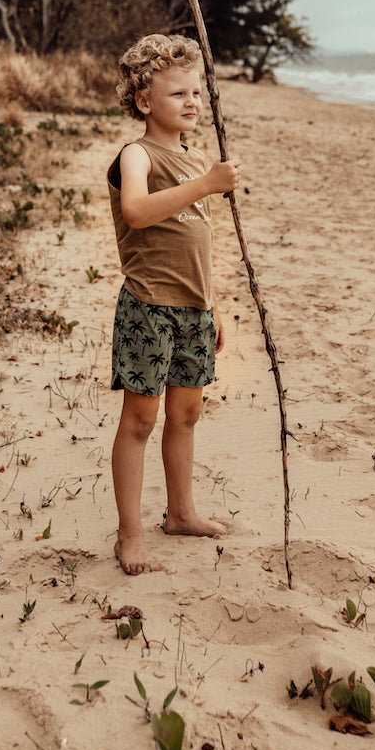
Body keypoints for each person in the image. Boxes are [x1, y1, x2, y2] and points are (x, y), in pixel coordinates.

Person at [107, 33, 241, 575]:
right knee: (140, 419)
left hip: (192, 310)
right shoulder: (136, 155)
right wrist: (206, 184)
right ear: (144, 102)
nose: (191, 102)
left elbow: (198, 242)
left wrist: (212, 306)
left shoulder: (193, 158)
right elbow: (138, 212)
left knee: (186, 414)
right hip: (149, 307)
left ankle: (181, 512)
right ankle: (129, 533)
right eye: (177, 93)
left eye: (196, 93)